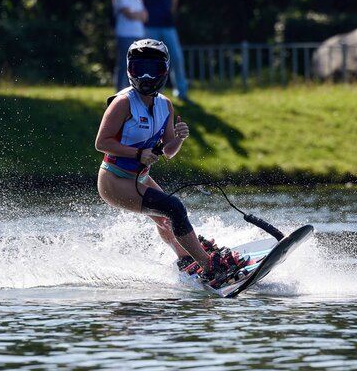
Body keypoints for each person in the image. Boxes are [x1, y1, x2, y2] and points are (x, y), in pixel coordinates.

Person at [94, 39, 247, 288]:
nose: (145, 75)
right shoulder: (123, 102)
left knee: (166, 219)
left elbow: (168, 151)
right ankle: (210, 269)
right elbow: (102, 142)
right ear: (129, 70)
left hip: (139, 177)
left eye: (152, 68)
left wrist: (179, 137)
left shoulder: (165, 104)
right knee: (173, 208)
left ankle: (186, 258)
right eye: (138, 68)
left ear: (164, 71)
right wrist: (138, 154)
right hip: (114, 180)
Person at [137, 0, 189, 101]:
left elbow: (174, 0)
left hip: (168, 26)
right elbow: (139, 4)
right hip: (150, 27)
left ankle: (181, 92)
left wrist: (171, 14)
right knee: (151, 61)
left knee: (176, 58)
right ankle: (151, 92)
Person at [112, 0, 147, 91]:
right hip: (124, 35)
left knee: (136, 64)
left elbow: (145, 16)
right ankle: (119, 90)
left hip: (138, 35)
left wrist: (135, 15)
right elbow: (129, 15)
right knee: (124, 63)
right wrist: (138, 15)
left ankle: (133, 89)